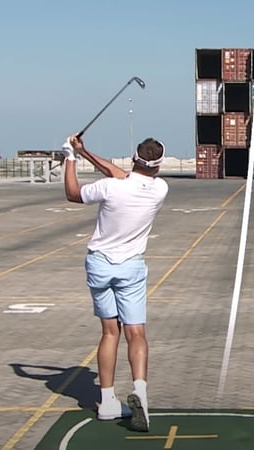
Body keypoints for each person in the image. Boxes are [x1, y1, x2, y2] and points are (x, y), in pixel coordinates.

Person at [61, 134, 169, 432]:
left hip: (99, 264)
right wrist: (85, 152)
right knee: (136, 333)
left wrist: (71, 157)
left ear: (134, 158)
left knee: (110, 332)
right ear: (158, 166)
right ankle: (141, 394)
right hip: (131, 268)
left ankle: (107, 401)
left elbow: (73, 193)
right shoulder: (160, 189)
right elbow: (122, 175)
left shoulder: (110, 187)